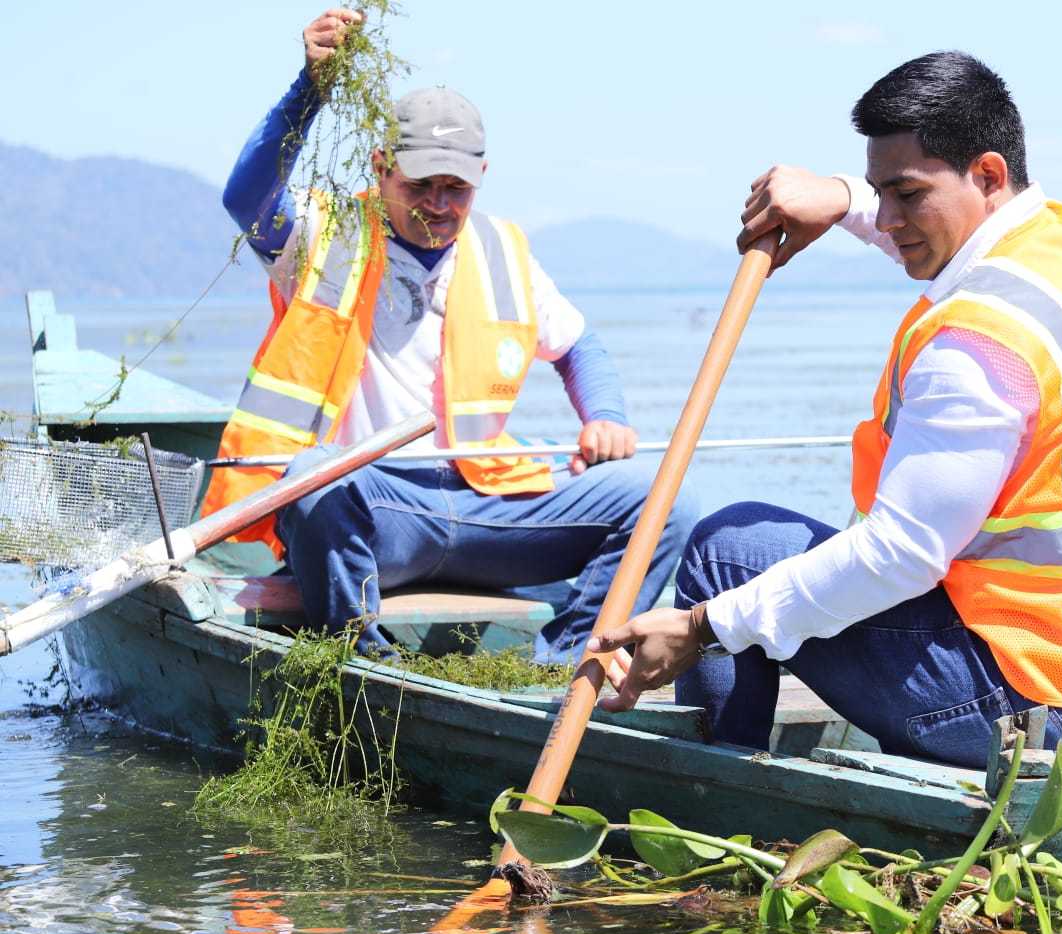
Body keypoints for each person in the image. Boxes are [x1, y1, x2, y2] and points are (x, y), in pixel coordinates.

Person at [590, 52, 1062, 767]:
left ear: (988, 175)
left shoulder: (978, 345)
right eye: (880, 194)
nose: (890, 220)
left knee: (725, 553)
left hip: (1017, 708)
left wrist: (701, 627)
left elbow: (899, 555)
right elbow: (938, 229)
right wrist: (841, 199)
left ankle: (713, 789)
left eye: (906, 195)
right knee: (763, 570)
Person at [201, 9, 695, 661]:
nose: (439, 204)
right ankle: (361, 657)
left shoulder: (503, 250)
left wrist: (604, 416)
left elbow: (580, 348)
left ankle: (566, 664)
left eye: (455, 188)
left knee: (666, 504)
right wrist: (310, 89)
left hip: (488, 501)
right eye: (420, 185)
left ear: (482, 177)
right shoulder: (321, 235)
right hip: (375, 506)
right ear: (381, 168)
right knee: (313, 479)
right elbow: (248, 196)